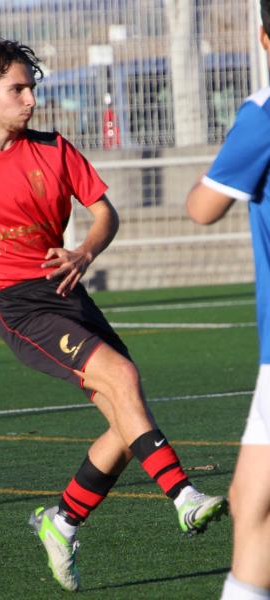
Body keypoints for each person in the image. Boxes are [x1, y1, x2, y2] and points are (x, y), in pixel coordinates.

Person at [0, 38, 227, 593]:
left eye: (32, 87)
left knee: (126, 423)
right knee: (123, 378)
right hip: (20, 306)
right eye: (18, 89)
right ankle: (184, 498)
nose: (31, 99)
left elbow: (105, 213)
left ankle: (62, 522)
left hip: (69, 292)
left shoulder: (54, 150)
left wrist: (84, 252)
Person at [186, 4, 270, 598]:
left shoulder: (263, 114)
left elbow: (204, 207)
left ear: (263, 37)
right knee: (249, 498)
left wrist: (208, 175)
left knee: (255, 504)